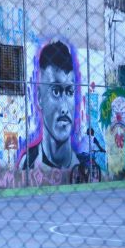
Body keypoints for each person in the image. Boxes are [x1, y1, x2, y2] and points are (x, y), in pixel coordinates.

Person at [19, 40, 82, 170]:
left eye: (70, 92)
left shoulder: (83, 167)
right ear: (39, 98)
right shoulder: (27, 165)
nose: (64, 109)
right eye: (56, 92)